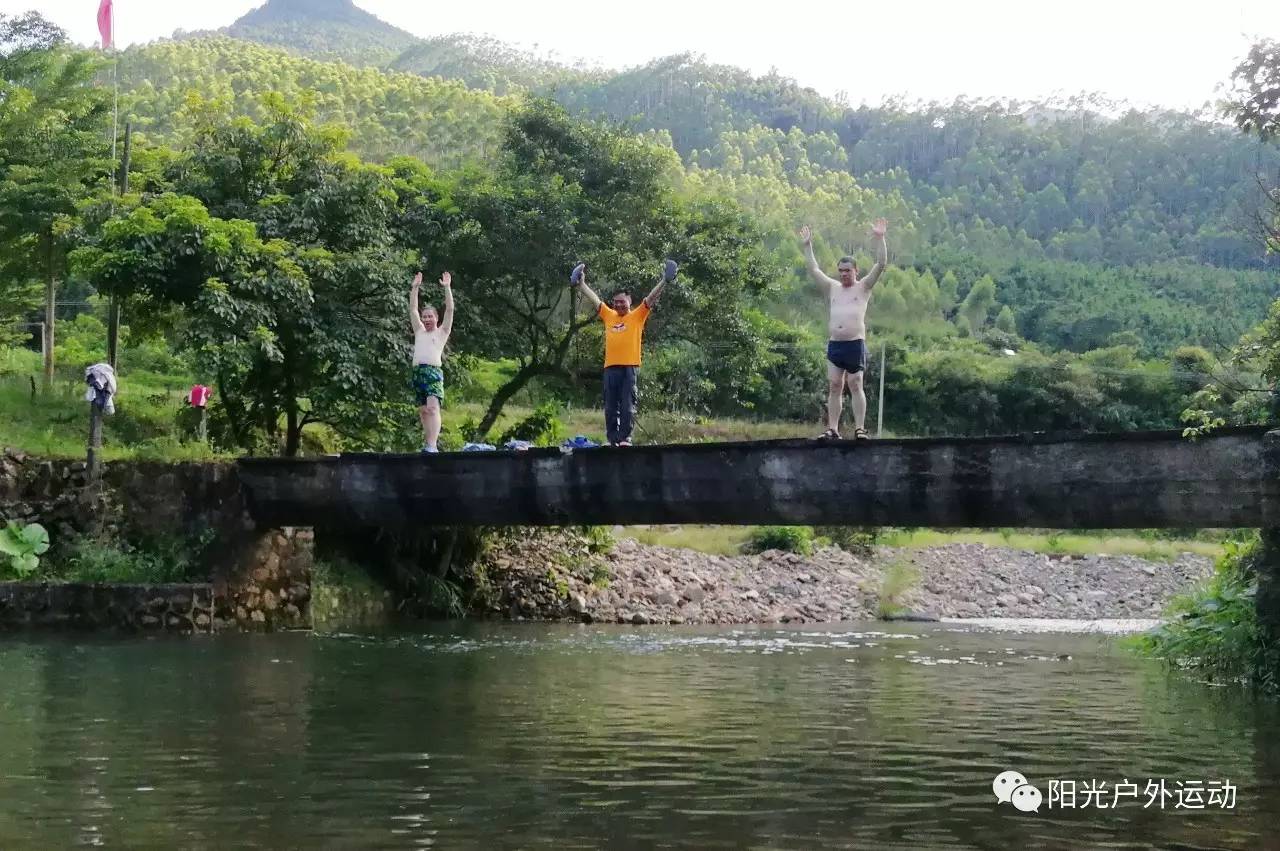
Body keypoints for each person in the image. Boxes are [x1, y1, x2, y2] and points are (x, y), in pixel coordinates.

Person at [571, 259, 677, 446]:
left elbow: (651, 298)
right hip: (610, 368)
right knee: (611, 407)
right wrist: (581, 284)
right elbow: (595, 300)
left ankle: (625, 438)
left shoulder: (637, 315)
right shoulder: (609, 315)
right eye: (616, 302)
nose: (619, 305)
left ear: (629, 302)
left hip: (629, 367)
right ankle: (613, 439)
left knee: (627, 406)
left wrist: (664, 281)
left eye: (622, 302)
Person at [800, 219, 888, 441]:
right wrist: (808, 246)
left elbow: (881, 264)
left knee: (855, 382)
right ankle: (833, 429)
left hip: (855, 343)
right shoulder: (833, 287)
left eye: (847, 271)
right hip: (835, 344)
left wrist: (880, 239)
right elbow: (814, 269)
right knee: (835, 385)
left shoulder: (864, 287)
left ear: (856, 271)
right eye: (841, 271)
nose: (843, 274)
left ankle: (859, 428)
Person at [409, 270, 454, 453]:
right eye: (425, 316)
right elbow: (412, 309)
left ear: (436, 318)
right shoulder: (419, 330)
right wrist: (415, 288)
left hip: (433, 372)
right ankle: (428, 444)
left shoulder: (442, 332)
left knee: (433, 408)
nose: (427, 319)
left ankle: (433, 445)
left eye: (430, 316)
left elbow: (450, 309)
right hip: (418, 372)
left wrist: (447, 288)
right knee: (423, 411)